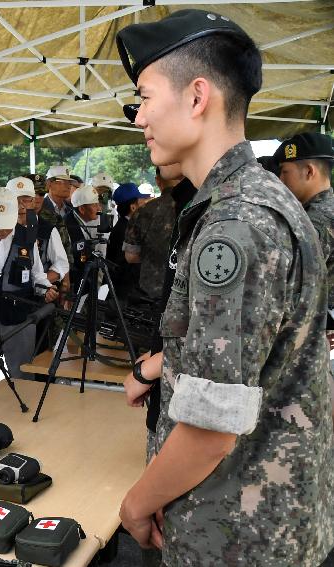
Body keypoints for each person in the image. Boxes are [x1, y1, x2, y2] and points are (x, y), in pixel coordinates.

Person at [116, 10, 334, 564]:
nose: (137, 117)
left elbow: (211, 430)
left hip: (239, 534)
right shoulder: (248, 203)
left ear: (196, 97)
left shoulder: (236, 225)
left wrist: (136, 505)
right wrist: (160, 366)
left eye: (143, 96)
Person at [0, 188, 59, 385]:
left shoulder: (28, 237)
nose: (2, 232)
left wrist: (46, 289)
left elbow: (37, 273)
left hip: (20, 317)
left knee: (22, 374)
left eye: (6, 226)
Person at [274, 132, 334, 334]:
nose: (280, 180)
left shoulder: (318, 220)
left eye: (284, 172)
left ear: (308, 172)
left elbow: (293, 283)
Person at [123, 164, 196, 304]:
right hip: (186, 293)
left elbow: (130, 256)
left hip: (150, 293)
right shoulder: (197, 207)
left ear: (158, 180)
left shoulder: (143, 211)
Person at [106, 182, 149, 300]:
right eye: (141, 201)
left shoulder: (126, 225)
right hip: (125, 292)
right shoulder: (126, 229)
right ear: (133, 206)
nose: (145, 204)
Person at [64, 184, 104, 292]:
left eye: (98, 204)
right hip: (73, 286)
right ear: (82, 209)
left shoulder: (90, 222)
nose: (99, 208)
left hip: (86, 282)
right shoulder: (66, 226)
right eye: (94, 205)